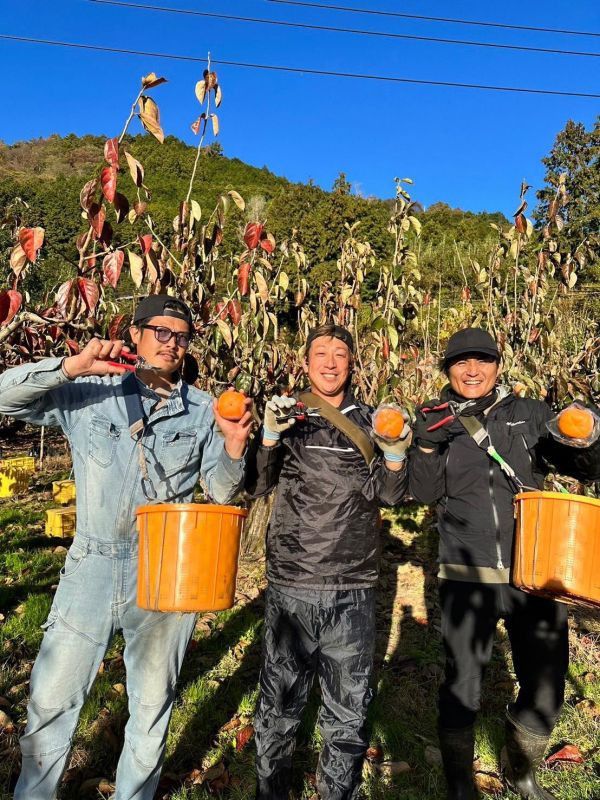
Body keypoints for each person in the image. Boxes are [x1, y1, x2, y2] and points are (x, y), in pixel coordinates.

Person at [0, 294, 253, 800]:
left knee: (152, 703)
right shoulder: (89, 390)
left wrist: (233, 445)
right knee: (51, 701)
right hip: (91, 565)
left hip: (165, 571)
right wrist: (70, 366)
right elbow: (6, 400)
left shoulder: (204, 409)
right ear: (135, 334)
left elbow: (221, 491)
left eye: (180, 336)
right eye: (159, 331)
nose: (170, 343)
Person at [408, 327, 600, 800]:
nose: (472, 370)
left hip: (533, 574)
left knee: (546, 687)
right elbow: (422, 493)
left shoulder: (530, 413)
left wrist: (586, 430)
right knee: (463, 687)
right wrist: (427, 446)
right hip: (465, 572)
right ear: (447, 369)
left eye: (482, 360)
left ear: (497, 365)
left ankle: (520, 771)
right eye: (461, 362)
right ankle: (459, 784)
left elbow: (583, 466)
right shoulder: (434, 419)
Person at [245, 323, 411, 800]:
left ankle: (336, 792)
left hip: (353, 586)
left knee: (349, 709)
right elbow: (257, 485)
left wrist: (395, 454)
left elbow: (392, 497)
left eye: (340, 353)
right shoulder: (289, 414)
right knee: (279, 704)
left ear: (352, 362)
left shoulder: (370, 420)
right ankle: (272, 791)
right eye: (321, 353)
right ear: (306, 362)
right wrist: (270, 437)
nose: (331, 362)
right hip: (293, 583)